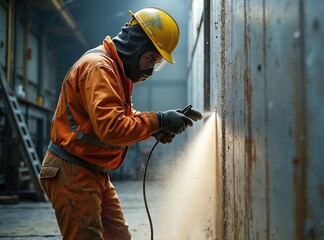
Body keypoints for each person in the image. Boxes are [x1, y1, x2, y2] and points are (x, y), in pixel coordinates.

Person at [39, 7, 203, 240]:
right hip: (73, 170)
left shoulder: (115, 70)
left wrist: (156, 129)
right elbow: (112, 128)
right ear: (135, 46)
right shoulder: (100, 68)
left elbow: (121, 115)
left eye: (155, 64)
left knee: (119, 237)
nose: (150, 70)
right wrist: (160, 120)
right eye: (150, 60)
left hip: (92, 171)